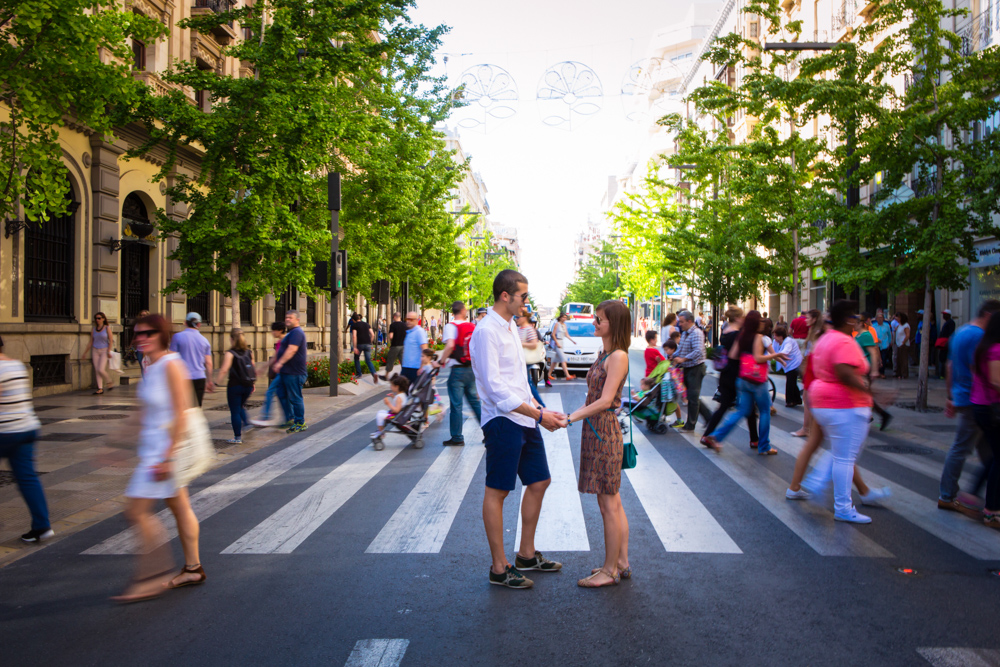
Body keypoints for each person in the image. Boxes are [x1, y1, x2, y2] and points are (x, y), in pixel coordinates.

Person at [469, 269, 566, 589]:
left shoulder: (511, 326)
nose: (527, 301)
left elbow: (517, 379)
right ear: (505, 296)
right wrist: (538, 416)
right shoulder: (486, 332)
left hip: (524, 417)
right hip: (501, 420)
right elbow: (495, 389)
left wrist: (538, 409)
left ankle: (526, 554)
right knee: (498, 491)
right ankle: (499, 567)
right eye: (523, 296)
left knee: (539, 480)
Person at [113, 313, 204, 602]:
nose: (140, 337)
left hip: (162, 454)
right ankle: (193, 568)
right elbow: (143, 411)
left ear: (162, 335)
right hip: (154, 451)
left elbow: (180, 412)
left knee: (136, 512)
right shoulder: (151, 365)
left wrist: (166, 457)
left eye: (147, 333)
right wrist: (116, 442)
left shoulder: (171, 365)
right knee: (180, 508)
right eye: (137, 333)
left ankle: (151, 577)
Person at [566, 299, 631, 588]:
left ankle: (609, 570)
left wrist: (570, 417)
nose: (594, 324)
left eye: (599, 320)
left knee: (608, 503)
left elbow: (605, 400)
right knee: (613, 501)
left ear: (612, 325)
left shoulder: (617, 356)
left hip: (603, 430)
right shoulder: (605, 353)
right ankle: (621, 562)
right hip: (597, 430)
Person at [799, 300, 878, 524]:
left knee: (840, 452)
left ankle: (820, 481)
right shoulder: (844, 341)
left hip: (824, 402)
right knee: (845, 457)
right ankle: (843, 507)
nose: (856, 320)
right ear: (847, 319)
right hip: (845, 404)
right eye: (853, 316)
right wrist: (868, 390)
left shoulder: (825, 339)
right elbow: (844, 372)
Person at [939, 300, 1000, 515]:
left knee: (990, 452)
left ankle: (980, 495)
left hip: (965, 398)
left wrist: (950, 396)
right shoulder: (978, 337)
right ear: (989, 315)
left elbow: (950, 366)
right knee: (962, 448)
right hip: (976, 401)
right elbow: (979, 370)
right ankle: (947, 495)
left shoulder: (961, 332)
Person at [703, 311, 787, 454]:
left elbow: (733, 355)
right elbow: (759, 358)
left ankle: (716, 436)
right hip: (757, 380)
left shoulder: (741, 336)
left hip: (742, 378)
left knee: (742, 410)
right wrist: (776, 355)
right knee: (765, 410)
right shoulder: (759, 337)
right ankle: (764, 446)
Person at [0, 335, 52, 543]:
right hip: (27, 427)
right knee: (27, 478)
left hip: (6, 431)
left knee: (27, 478)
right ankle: (42, 526)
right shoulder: (17, 366)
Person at [703, 308, 758, 446]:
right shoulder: (738, 334)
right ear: (738, 318)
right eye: (742, 316)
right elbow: (741, 353)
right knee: (748, 407)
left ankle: (707, 435)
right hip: (738, 373)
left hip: (725, 373)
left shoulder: (725, 332)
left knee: (723, 407)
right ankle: (754, 440)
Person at [970, 310, 1000, 530]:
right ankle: (992, 510)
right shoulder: (996, 349)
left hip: (980, 405)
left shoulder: (983, 347)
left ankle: (976, 493)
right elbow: (996, 381)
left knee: (994, 456)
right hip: (992, 409)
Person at [438, 301, 482, 447]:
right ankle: (490, 433)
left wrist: (440, 361)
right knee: (475, 403)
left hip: (457, 370)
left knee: (456, 405)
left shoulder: (450, 326)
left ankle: (457, 437)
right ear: (463, 311)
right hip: (471, 370)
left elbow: (450, 345)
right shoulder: (472, 326)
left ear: (453, 312)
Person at [216, 329, 256, 444]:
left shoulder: (230, 353)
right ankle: (247, 423)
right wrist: (253, 384)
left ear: (231, 339)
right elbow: (252, 369)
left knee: (235, 411)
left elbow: (224, 370)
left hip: (235, 386)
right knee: (240, 406)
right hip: (248, 385)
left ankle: (237, 437)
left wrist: (216, 383)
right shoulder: (249, 352)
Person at [670, 310, 706, 433]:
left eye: (682, 322)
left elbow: (698, 351)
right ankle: (709, 417)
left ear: (689, 321)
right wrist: (673, 356)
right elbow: (682, 349)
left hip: (695, 368)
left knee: (692, 396)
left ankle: (690, 425)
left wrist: (683, 359)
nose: (679, 324)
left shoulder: (696, 333)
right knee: (692, 396)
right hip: (687, 367)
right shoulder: (685, 333)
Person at [273, 310, 307, 433]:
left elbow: (292, 350)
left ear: (297, 320)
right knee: (281, 393)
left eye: (290, 318)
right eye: (286, 317)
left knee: (295, 397)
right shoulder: (291, 333)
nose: (287, 319)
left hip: (295, 372)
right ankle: (291, 418)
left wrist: (280, 362)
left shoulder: (296, 333)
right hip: (287, 372)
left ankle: (300, 422)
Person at [169, 312, 214, 407]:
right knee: (196, 408)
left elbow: (171, 358)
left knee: (181, 407)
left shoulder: (177, 337)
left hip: (182, 378)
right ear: (199, 324)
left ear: (185, 322)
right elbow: (209, 363)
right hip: (199, 377)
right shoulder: (204, 341)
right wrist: (209, 381)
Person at [251, 322, 287, 427]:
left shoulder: (285, 341)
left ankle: (266, 416)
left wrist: (264, 368)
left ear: (279, 330)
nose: (272, 333)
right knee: (281, 396)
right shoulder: (280, 342)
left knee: (270, 392)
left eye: (273, 330)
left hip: (283, 373)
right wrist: (263, 368)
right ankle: (287, 418)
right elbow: (275, 356)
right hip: (281, 373)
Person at [516, 308, 547, 409]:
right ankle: (538, 405)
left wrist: (521, 344)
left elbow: (534, 344)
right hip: (520, 360)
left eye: (518, 317)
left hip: (526, 359)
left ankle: (541, 406)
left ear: (524, 318)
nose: (516, 319)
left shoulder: (529, 329)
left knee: (528, 384)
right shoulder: (518, 328)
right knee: (527, 384)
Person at [82, 311, 114, 395]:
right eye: (96, 318)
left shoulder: (107, 328)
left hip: (104, 350)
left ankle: (109, 381)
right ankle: (100, 388)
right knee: (97, 370)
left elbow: (111, 341)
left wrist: (109, 351)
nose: (97, 320)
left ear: (103, 319)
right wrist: (85, 352)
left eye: (99, 318)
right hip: (95, 350)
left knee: (101, 369)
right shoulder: (93, 329)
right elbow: (91, 342)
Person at [372, 374, 409, 441]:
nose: (390, 387)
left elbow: (397, 410)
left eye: (392, 385)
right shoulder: (401, 395)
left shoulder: (399, 398)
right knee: (381, 412)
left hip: (396, 416)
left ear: (397, 387)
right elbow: (399, 404)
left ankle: (381, 432)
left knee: (380, 415)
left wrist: (388, 403)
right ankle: (380, 430)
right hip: (398, 414)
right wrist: (393, 397)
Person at [773, 325, 803, 407]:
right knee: (792, 382)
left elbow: (786, 351)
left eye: (775, 336)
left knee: (790, 382)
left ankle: (790, 401)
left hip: (794, 363)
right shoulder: (777, 342)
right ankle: (797, 399)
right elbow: (772, 350)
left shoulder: (788, 341)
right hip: (790, 364)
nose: (774, 337)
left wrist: (775, 355)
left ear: (780, 336)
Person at [400, 311, 428, 384]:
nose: (408, 321)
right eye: (407, 319)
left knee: (414, 393)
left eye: (411, 319)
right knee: (403, 393)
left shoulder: (419, 332)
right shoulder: (409, 332)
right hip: (406, 367)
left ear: (416, 320)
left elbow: (425, 350)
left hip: (415, 369)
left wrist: (422, 367)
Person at [350, 313, 378, 384]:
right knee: (368, 360)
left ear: (353, 320)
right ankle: (374, 373)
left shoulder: (354, 325)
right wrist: (370, 342)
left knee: (356, 358)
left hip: (359, 344)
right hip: (367, 344)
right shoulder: (366, 324)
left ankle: (359, 374)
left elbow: (354, 336)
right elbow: (372, 334)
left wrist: (355, 347)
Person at [548, 313, 576, 381]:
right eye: (563, 317)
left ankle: (548, 374)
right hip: (557, 342)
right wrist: (557, 343)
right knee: (563, 359)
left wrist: (572, 341)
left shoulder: (564, 325)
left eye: (565, 317)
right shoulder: (557, 324)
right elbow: (553, 334)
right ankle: (567, 375)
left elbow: (566, 334)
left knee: (554, 361)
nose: (564, 319)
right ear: (560, 318)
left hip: (561, 342)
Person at [382, 313, 407, 379]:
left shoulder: (393, 325)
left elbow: (391, 336)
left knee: (390, 360)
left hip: (395, 345)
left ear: (395, 317)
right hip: (403, 346)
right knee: (403, 362)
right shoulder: (405, 325)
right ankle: (405, 376)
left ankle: (386, 376)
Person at [937, 309, 956, 379]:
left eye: (945, 314)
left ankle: (944, 375)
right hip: (944, 343)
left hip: (946, 343)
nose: (943, 316)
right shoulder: (947, 323)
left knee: (944, 358)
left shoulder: (951, 323)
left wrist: (948, 342)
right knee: (942, 358)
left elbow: (951, 333)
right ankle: (943, 374)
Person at [873, 309, 892, 378]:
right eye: (878, 318)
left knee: (883, 359)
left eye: (881, 318)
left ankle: (882, 372)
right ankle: (877, 372)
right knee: (877, 359)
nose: (880, 319)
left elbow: (889, 334)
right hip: (876, 345)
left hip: (884, 345)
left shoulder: (886, 325)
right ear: (876, 319)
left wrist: (890, 342)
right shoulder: (873, 326)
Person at [894, 313, 911, 379]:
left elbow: (907, 335)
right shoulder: (899, 325)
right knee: (898, 359)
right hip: (898, 344)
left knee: (903, 360)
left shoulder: (906, 325)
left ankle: (904, 374)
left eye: (898, 317)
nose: (897, 319)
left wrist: (903, 342)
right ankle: (899, 373)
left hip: (903, 345)